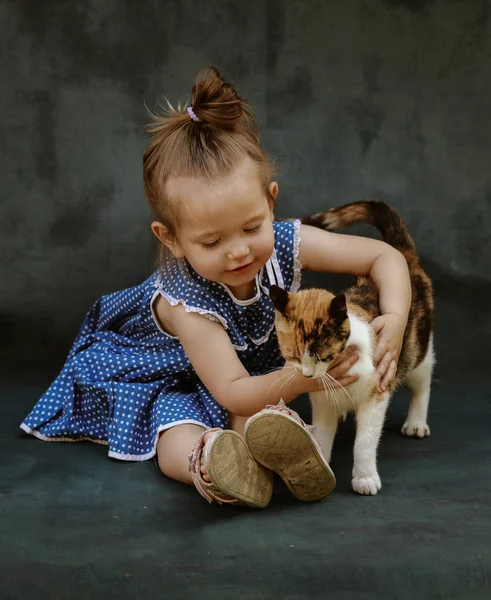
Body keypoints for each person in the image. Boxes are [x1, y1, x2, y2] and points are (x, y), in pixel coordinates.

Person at [20, 67, 411, 508]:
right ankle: (207, 462)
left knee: (256, 415)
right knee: (177, 422)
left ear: (271, 201)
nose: (238, 252)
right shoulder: (186, 300)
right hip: (169, 377)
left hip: (243, 380)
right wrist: (301, 385)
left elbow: (385, 258)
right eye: (211, 242)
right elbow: (229, 388)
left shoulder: (285, 242)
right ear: (170, 239)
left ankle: (267, 454)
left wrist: (394, 318)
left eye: (251, 227)